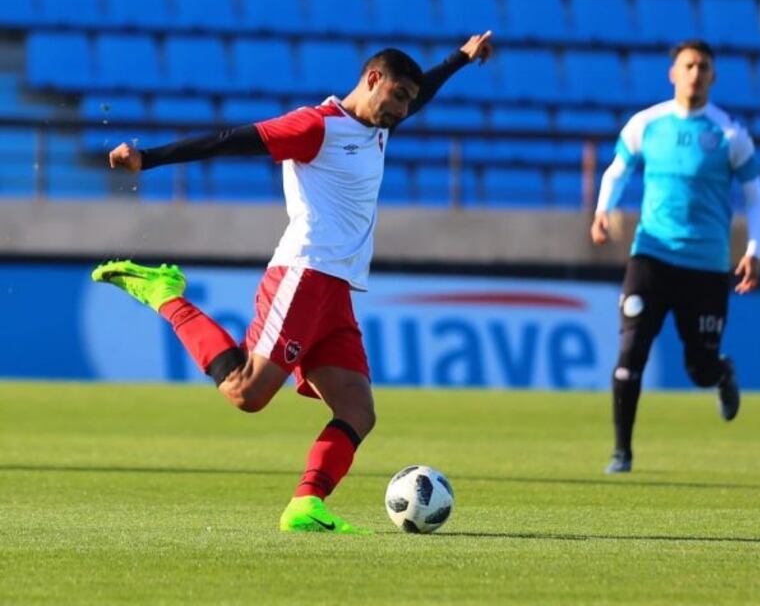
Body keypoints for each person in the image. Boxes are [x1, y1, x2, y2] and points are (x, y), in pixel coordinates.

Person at [93, 32, 495, 532]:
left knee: (357, 409)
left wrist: (461, 58)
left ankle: (306, 505)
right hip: (304, 274)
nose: (403, 109)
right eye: (397, 97)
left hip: (338, 290)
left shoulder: (378, 123)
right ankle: (163, 294)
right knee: (247, 392)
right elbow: (231, 141)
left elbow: (421, 89)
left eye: (409, 102)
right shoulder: (317, 127)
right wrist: (148, 158)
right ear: (372, 80)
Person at [590, 39, 760, 474]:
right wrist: (602, 210)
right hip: (650, 256)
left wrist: (754, 250)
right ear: (673, 73)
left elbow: (755, 197)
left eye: (703, 67)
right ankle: (621, 453)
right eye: (687, 65)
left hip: (706, 266)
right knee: (631, 353)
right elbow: (617, 171)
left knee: (699, 368)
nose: (695, 73)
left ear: (713, 76)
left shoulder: (729, 134)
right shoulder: (647, 124)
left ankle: (721, 374)